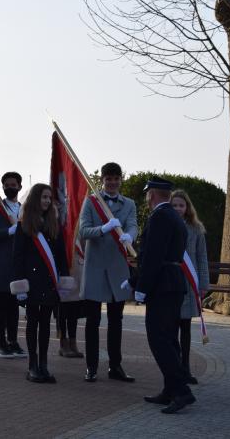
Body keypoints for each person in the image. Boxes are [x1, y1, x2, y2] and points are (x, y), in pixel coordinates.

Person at [126, 176, 194, 414]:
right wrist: (135, 279)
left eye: (147, 194)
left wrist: (142, 288)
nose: (146, 199)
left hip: (162, 286)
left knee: (160, 340)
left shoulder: (160, 216)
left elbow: (153, 256)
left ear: (152, 194)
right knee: (169, 339)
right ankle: (170, 389)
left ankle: (181, 391)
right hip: (172, 283)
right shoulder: (174, 216)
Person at [79, 162, 138, 383]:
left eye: (116, 178)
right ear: (102, 180)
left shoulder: (129, 204)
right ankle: (91, 367)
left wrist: (130, 236)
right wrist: (103, 229)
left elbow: (133, 225)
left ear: (120, 179)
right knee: (92, 321)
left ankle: (115, 366)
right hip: (95, 267)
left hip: (117, 267)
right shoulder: (91, 202)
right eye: (108, 179)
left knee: (116, 321)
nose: (112, 183)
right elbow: (84, 230)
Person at [13, 184, 69, 383]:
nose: (46, 201)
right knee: (32, 323)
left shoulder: (54, 224)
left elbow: (61, 255)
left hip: (49, 282)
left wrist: (63, 278)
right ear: (35, 199)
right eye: (43, 197)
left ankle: (44, 364)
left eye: (49, 198)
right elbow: (18, 257)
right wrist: (19, 285)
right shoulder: (24, 225)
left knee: (46, 324)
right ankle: (32, 365)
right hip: (32, 282)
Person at [0, 172, 27, 357]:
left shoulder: (23, 209)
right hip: (2, 264)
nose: (10, 187)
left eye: (14, 184)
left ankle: (13, 341)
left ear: (19, 187)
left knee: (14, 307)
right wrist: (8, 231)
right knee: (1, 306)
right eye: (7, 184)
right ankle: (0, 342)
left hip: (19, 265)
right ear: (2, 187)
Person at [171, 189, 209, 385]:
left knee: (185, 328)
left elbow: (202, 257)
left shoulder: (196, 228)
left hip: (188, 282)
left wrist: (203, 283)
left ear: (187, 208)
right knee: (171, 329)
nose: (178, 209)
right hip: (170, 282)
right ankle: (174, 368)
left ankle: (185, 368)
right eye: (174, 205)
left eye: (181, 205)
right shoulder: (166, 225)